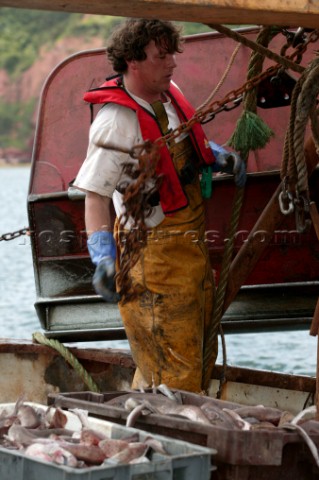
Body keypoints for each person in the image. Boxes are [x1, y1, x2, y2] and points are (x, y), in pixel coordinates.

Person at [74, 18, 246, 393]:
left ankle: (173, 429)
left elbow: (178, 148)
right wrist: (103, 257)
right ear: (133, 62)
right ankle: (171, 443)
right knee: (173, 370)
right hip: (153, 261)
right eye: (161, 55)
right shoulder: (116, 122)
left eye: (172, 53)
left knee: (199, 355)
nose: (172, 63)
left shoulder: (167, 95)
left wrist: (214, 156)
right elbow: (95, 195)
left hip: (191, 251)